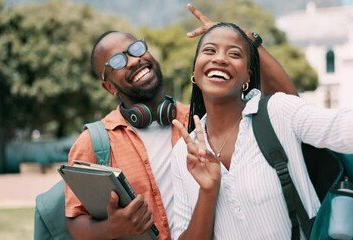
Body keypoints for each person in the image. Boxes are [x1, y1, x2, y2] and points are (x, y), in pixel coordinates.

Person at [171, 0, 353, 239]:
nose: (220, 58)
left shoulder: (279, 112)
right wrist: (208, 190)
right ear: (195, 69)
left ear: (248, 75)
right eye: (210, 50)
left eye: (234, 53)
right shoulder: (183, 152)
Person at [64, 4, 297, 240]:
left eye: (135, 49)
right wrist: (112, 228)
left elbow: (287, 104)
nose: (133, 61)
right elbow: (74, 222)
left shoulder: (204, 120)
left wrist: (240, 37)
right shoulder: (93, 142)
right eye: (116, 62)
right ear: (109, 87)